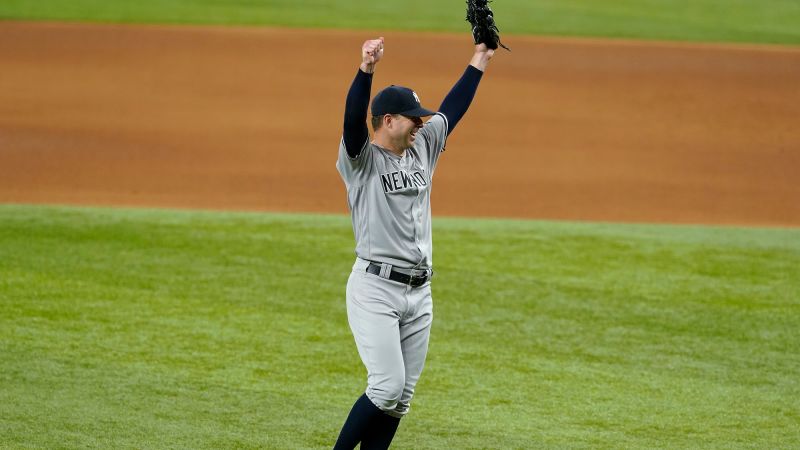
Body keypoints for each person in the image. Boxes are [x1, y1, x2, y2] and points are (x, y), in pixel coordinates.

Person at [333, 36, 494, 449]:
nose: (421, 123)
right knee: (386, 387)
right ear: (387, 120)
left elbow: (452, 108)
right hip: (376, 289)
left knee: (400, 401)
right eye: (411, 118)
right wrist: (366, 70)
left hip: (420, 293)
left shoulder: (420, 148)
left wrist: (481, 56)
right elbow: (353, 119)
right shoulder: (361, 161)